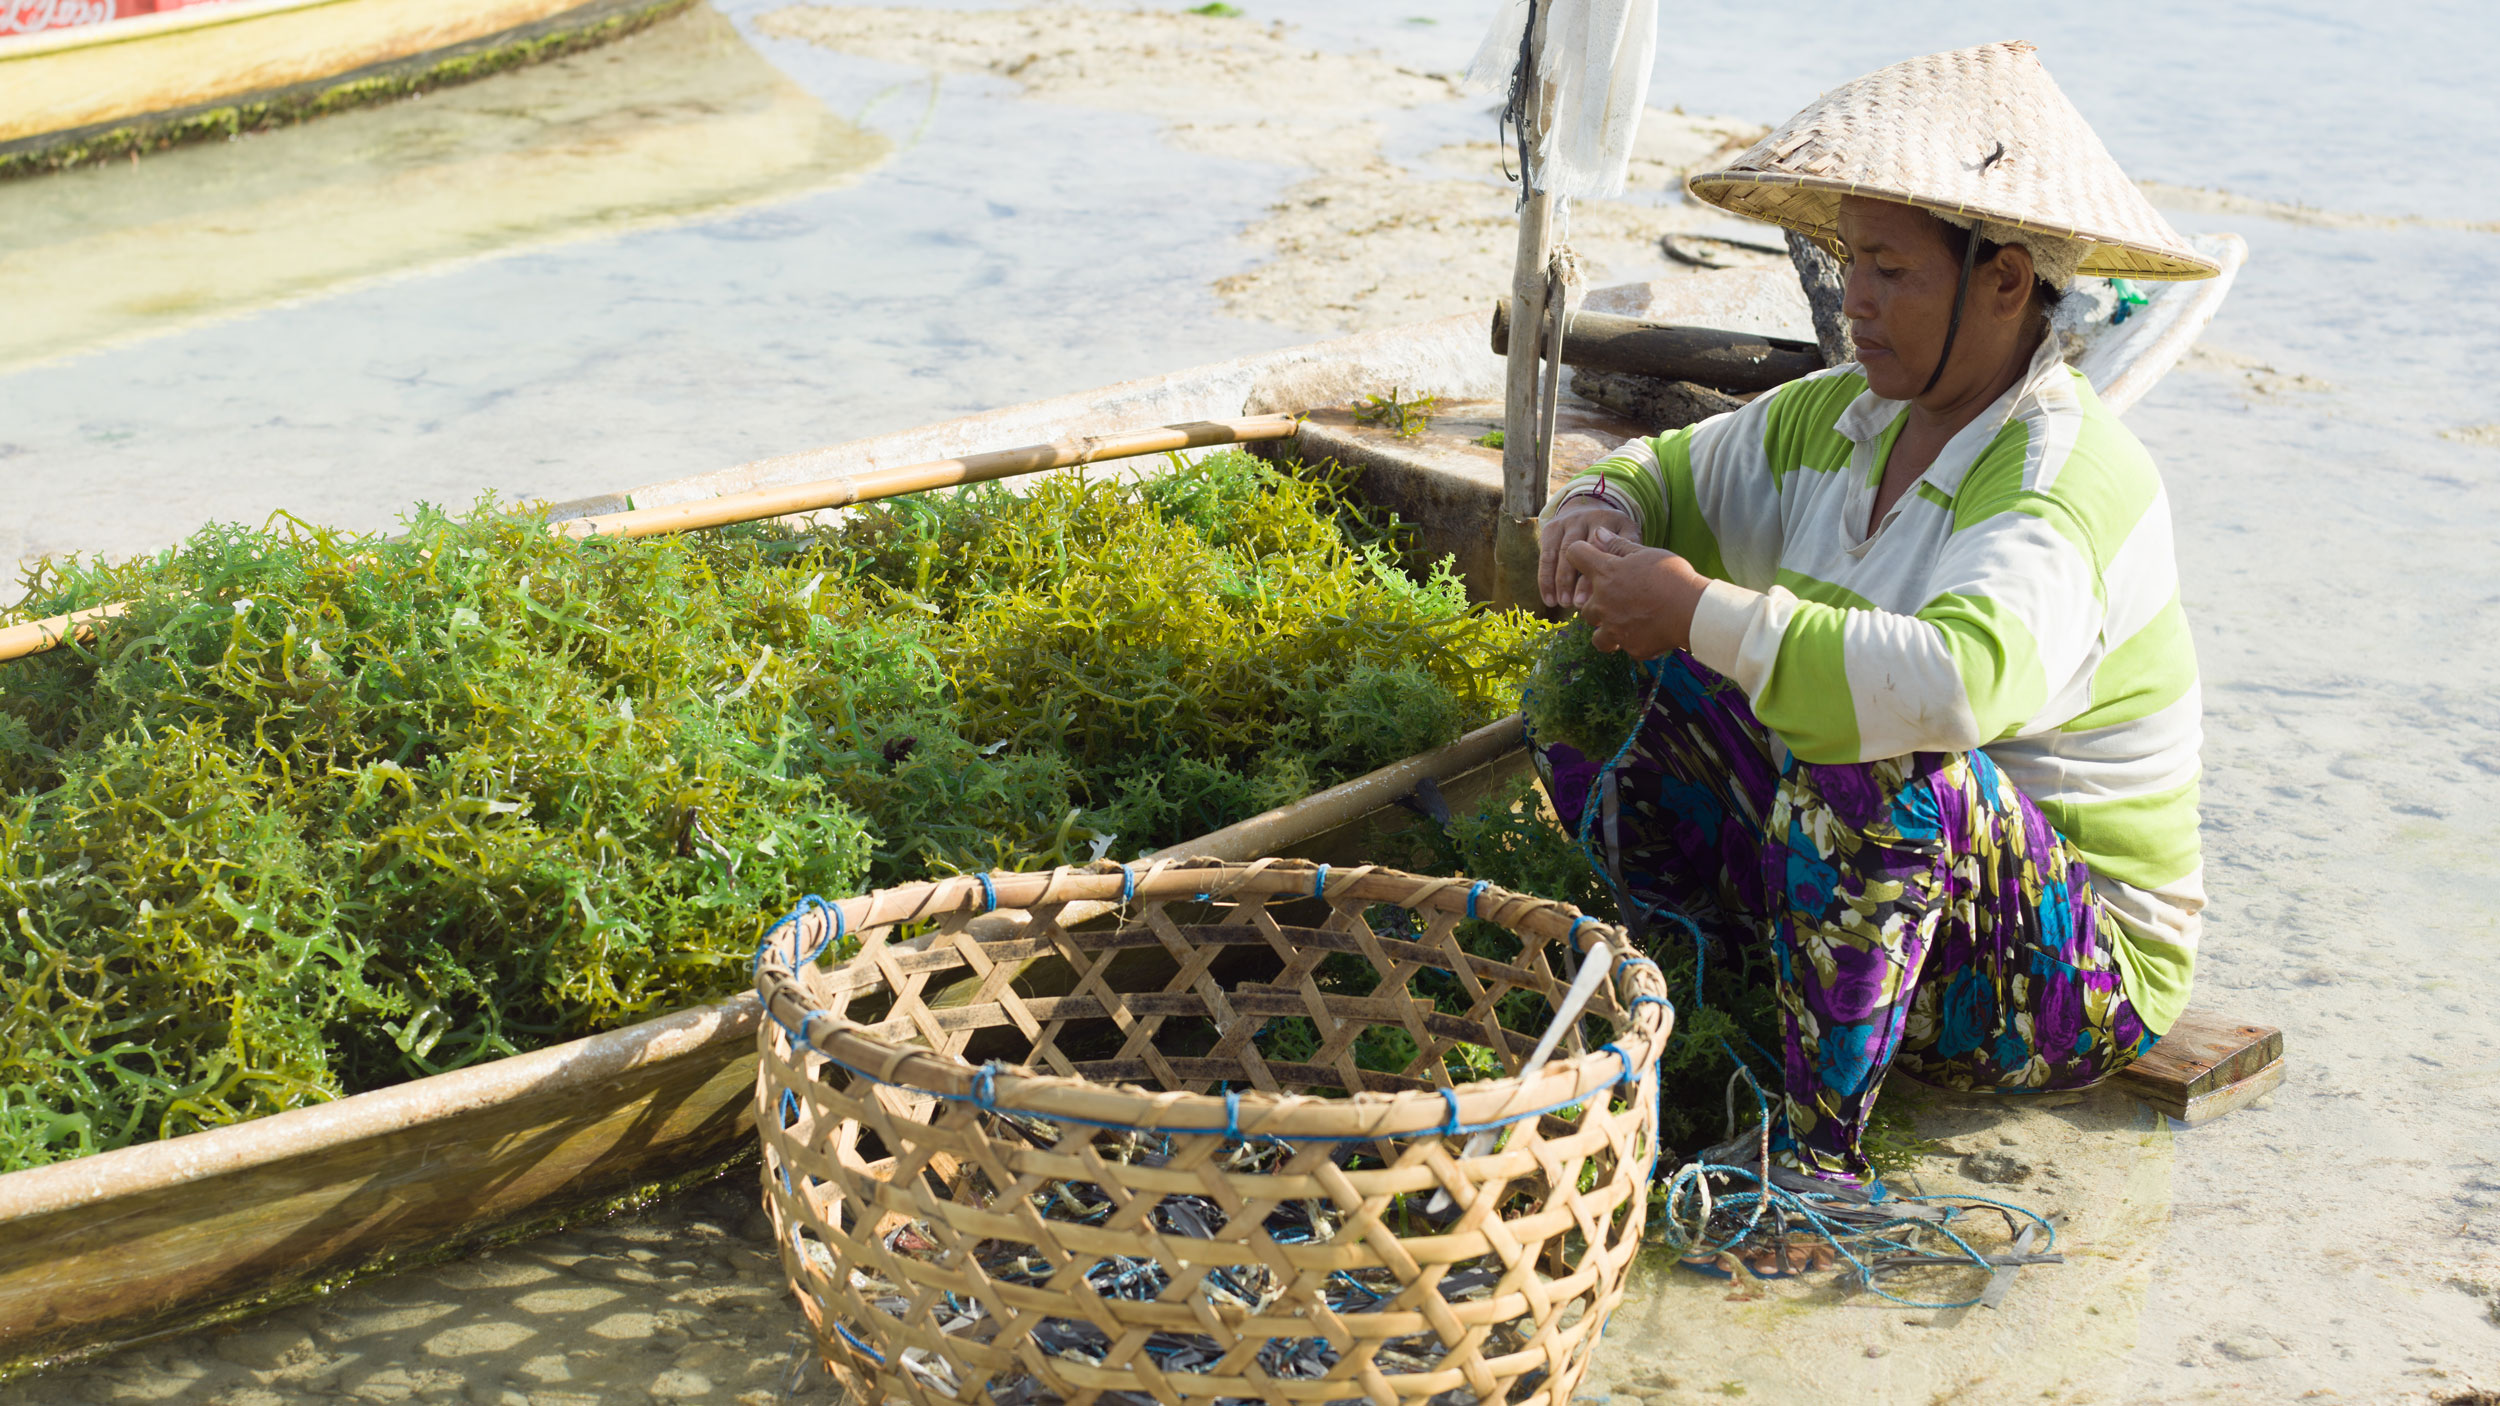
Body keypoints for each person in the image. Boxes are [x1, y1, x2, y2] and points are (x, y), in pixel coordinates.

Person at [1532, 42, 2219, 1212]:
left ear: (2004, 281)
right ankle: (1702, 1004)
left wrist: (1696, 607)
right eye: (1851, 262)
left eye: (1892, 271)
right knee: (1588, 675)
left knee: (1871, 757)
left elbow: (1957, 683)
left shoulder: (2061, 473)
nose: (1853, 300)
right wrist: (1594, 513)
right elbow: (1662, 471)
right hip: (1897, 910)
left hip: (2071, 977)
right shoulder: (1840, 417)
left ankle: (1819, 1166)